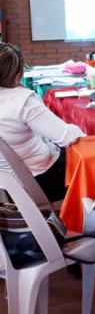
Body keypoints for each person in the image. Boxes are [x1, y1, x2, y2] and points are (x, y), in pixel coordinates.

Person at [0, 43, 85, 202]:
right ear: (18, 76)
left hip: (6, 187)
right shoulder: (22, 101)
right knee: (89, 162)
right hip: (35, 182)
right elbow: (70, 137)